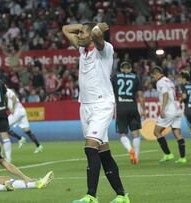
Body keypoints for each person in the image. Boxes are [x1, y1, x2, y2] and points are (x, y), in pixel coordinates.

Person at [63, 22, 129, 203]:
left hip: (102, 105)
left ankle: (91, 195)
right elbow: (65, 29)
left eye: (82, 33)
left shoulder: (104, 50)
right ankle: (122, 195)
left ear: (91, 35)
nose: (78, 35)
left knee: (90, 147)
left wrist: (94, 30)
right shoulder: (82, 50)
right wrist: (86, 26)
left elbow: (99, 38)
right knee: (103, 152)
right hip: (85, 106)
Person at [149, 66, 187, 164]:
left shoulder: (160, 82)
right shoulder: (168, 81)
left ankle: (168, 154)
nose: (153, 79)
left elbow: (165, 94)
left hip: (169, 110)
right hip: (177, 109)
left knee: (156, 132)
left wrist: (162, 109)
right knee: (177, 134)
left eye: (153, 76)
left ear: (156, 74)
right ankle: (183, 158)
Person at [111, 60, 146, 164]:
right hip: (132, 106)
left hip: (121, 106)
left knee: (122, 133)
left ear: (121, 69)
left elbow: (108, 91)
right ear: (130, 69)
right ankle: (137, 157)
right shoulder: (135, 77)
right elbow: (140, 95)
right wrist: (143, 110)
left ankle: (130, 149)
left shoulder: (115, 77)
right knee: (136, 133)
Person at [5, 86, 43, 153]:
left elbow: (14, 98)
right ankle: (39, 146)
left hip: (17, 111)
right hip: (21, 111)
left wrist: (13, 108)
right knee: (27, 130)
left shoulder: (8, 91)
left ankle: (20, 138)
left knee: (4, 126)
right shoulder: (3, 93)